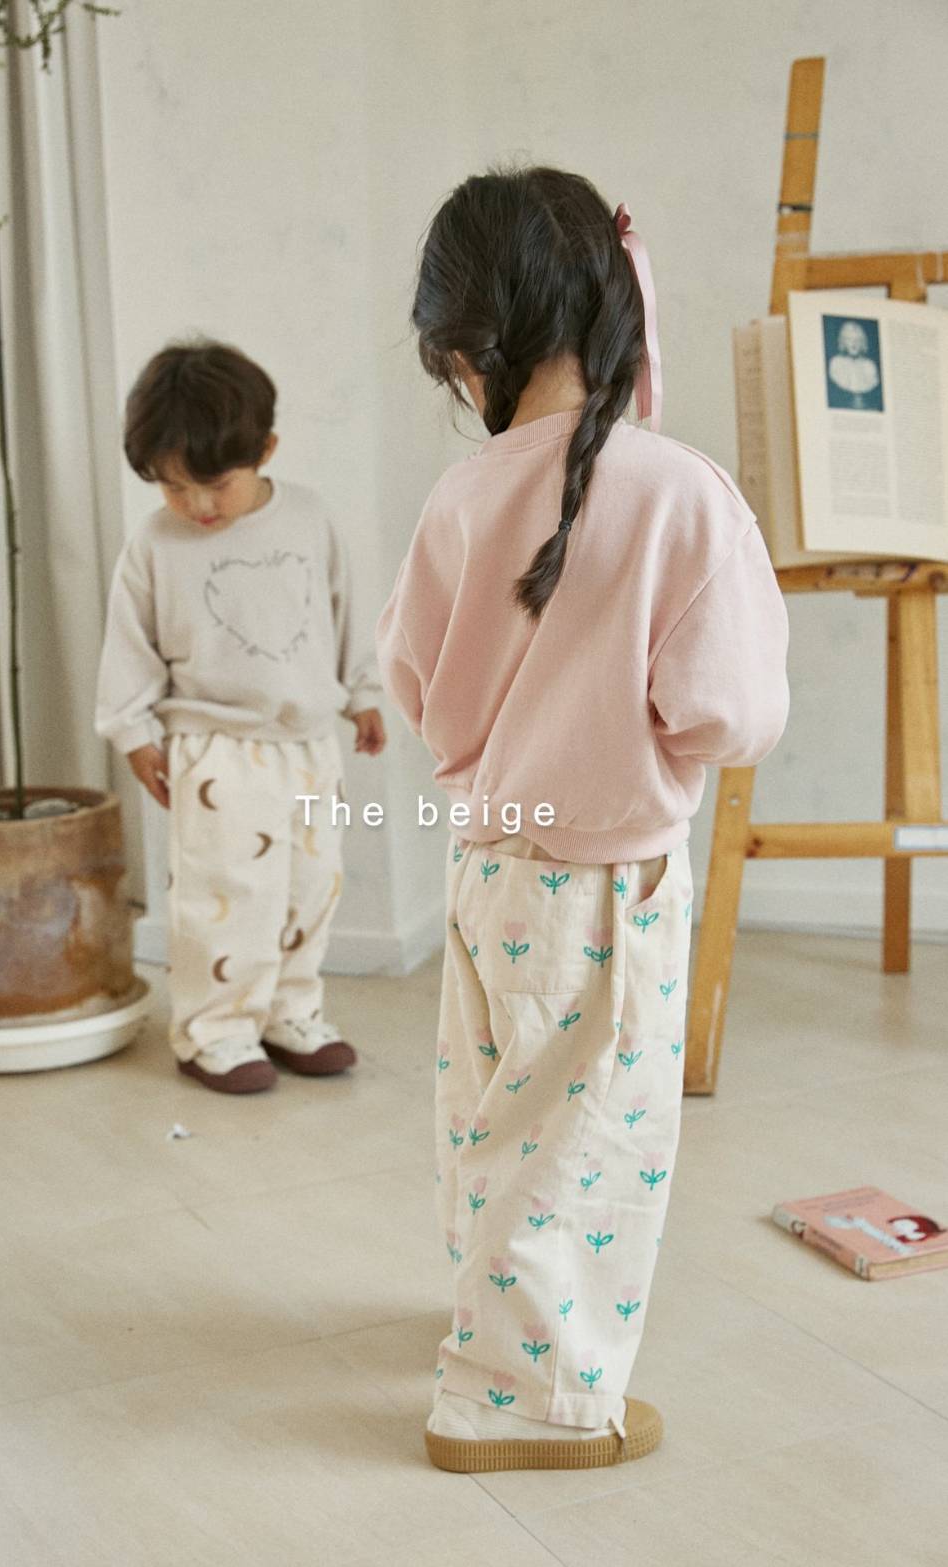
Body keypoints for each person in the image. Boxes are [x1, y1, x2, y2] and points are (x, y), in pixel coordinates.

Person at [376, 167, 789, 1473]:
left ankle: (485, 1323)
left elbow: (411, 686)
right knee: (587, 1140)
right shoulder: (678, 492)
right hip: (606, 887)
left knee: (490, 1117)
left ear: (464, 349)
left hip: (488, 868)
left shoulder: (458, 498)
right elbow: (731, 712)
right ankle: (518, 1401)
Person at [96, 341, 385, 1093]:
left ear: (265, 451)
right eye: (174, 487)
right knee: (226, 895)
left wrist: (363, 693)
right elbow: (129, 646)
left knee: (310, 887)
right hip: (214, 747)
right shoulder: (155, 545)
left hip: (309, 744)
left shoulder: (309, 520)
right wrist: (134, 735)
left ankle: (291, 1011)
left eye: (215, 485)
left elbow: (346, 613)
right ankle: (215, 1030)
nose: (197, 506)